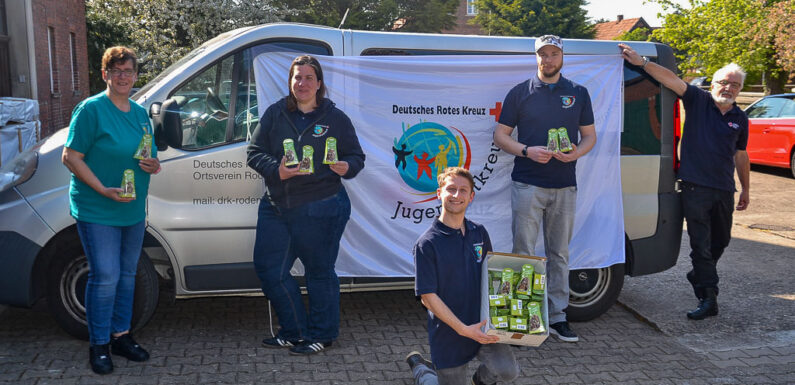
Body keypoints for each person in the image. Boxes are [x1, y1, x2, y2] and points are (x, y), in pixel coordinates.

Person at [618, 44, 750, 320]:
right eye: (724, 82)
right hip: (694, 187)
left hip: (724, 188)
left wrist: (746, 189)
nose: (728, 88)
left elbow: (741, 154)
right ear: (713, 83)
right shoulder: (698, 100)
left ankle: (699, 274)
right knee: (700, 245)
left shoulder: (741, 118)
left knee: (721, 242)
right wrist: (641, 63)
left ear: (739, 90)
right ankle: (708, 296)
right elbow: (670, 79)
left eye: (734, 85)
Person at [247, 55, 365, 355]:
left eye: (308, 78)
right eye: (297, 77)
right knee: (270, 269)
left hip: (320, 207)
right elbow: (254, 152)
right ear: (290, 82)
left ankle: (322, 335)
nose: (302, 83)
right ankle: (294, 330)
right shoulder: (275, 113)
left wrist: (345, 166)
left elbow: (356, 157)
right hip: (276, 205)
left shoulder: (335, 119)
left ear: (319, 83)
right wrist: (277, 169)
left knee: (319, 272)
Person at [61, 46, 160, 375]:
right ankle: (99, 344)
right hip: (98, 207)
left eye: (128, 71)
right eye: (116, 71)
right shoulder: (91, 110)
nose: (122, 77)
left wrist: (153, 164)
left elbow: (150, 156)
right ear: (104, 74)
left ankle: (121, 336)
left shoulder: (140, 113)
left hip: (132, 209)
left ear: (135, 75)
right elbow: (70, 156)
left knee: (128, 276)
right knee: (106, 277)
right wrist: (102, 189)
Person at [493, 35, 596, 342]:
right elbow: (500, 136)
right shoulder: (519, 93)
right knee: (523, 251)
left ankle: (557, 316)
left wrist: (576, 152)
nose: (548, 59)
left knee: (559, 253)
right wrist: (527, 151)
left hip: (565, 185)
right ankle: (521, 318)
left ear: (562, 57)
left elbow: (589, 136)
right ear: (535, 57)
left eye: (554, 54)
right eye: (543, 54)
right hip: (527, 183)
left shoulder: (578, 93)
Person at [407, 167, 519, 385]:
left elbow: (493, 277)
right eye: (451, 189)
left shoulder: (479, 232)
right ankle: (421, 368)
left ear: (471, 196)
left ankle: (480, 381)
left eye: (463, 190)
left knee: (508, 371)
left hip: (483, 325)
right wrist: (463, 329)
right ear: (439, 193)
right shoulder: (427, 244)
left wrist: (513, 315)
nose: (457, 196)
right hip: (450, 333)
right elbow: (427, 297)